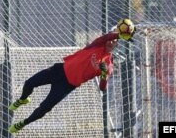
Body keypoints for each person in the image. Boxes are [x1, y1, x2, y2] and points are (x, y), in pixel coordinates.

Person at [8, 19, 136, 133]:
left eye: (114, 41)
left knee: (44, 108)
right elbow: (105, 37)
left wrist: (103, 75)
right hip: (59, 70)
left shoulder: (109, 64)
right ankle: (23, 99)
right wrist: (119, 35)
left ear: (116, 45)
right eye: (110, 39)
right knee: (29, 83)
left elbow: (103, 87)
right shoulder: (97, 44)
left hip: (67, 85)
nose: (111, 41)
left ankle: (22, 123)